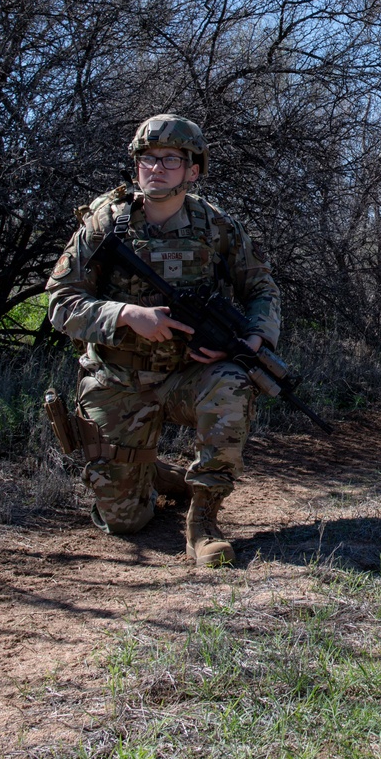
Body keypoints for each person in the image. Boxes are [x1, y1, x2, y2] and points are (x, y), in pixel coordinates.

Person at [46, 114, 280, 566]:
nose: (156, 168)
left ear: (193, 170)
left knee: (232, 382)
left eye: (170, 159)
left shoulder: (216, 227)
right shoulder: (105, 223)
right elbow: (60, 300)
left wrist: (253, 338)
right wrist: (125, 315)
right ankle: (154, 474)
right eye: (147, 159)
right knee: (123, 522)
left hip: (186, 377)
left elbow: (262, 289)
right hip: (119, 378)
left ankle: (203, 522)